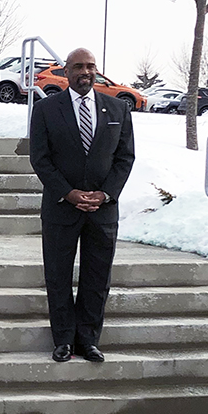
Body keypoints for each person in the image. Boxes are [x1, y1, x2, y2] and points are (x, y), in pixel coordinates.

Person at [28, 48, 135, 363]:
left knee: (97, 276)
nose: (85, 72)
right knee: (58, 275)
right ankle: (63, 340)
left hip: (102, 211)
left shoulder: (117, 109)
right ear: (66, 71)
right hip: (61, 207)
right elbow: (41, 159)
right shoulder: (46, 109)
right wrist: (68, 193)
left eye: (90, 66)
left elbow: (124, 158)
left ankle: (88, 340)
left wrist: (105, 195)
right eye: (78, 67)